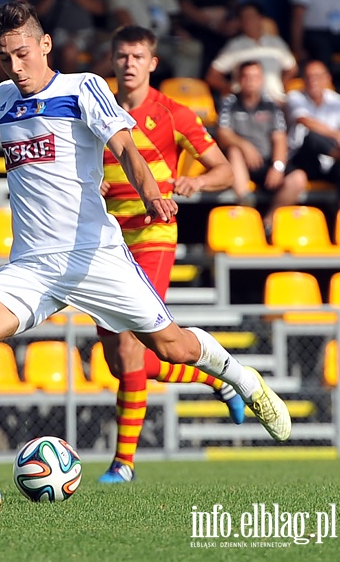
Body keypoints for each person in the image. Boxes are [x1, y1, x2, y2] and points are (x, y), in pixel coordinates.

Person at [0, 0, 291, 485]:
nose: (15, 67)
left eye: (22, 54)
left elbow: (124, 145)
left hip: (94, 257)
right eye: (4, 58)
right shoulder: (5, 96)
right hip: (33, 265)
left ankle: (243, 378)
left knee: (170, 350)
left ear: (45, 45)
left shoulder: (82, 88)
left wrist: (150, 195)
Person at [98, 25, 243, 484]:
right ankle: (216, 378)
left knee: (129, 343)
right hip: (105, 240)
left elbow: (224, 171)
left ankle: (123, 465)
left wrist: (195, 181)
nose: (129, 63)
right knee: (122, 362)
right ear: (113, 59)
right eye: (122, 55)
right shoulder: (95, 106)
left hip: (153, 236)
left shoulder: (174, 113)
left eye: (138, 56)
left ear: (153, 62)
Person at [216, 60, 292, 213]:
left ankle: (270, 221)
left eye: (255, 77)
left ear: (262, 79)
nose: (251, 81)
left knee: (298, 178)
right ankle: (246, 203)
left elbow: (280, 138)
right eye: (246, 77)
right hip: (239, 163)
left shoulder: (271, 105)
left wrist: (277, 166)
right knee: (234, 150)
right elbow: (223, 133)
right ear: (239, 80)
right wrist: (245, 146)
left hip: (266, 162)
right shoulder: (229, 102)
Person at [105, 0, 202, 80]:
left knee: (191, 48)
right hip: (134, 41)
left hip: (162, 38)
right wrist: (140, 40)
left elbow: (173, 12)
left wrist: (178, 30)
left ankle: (181, 93)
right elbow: (121, 14)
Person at [284, 60, 340, 211]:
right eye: (309, 76)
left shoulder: (337, 100)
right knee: (312, 138)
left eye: (317, 76)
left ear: (328, 79)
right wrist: (338, 137)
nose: (313, 81)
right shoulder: (295, 97)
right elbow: (305, 121)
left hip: (329, 160)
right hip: (302, 159)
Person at [206, 2, 298, 104]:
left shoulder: (276, 43)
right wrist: (232, 89)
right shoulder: (234, 46)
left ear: (261, 19)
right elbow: (212, 76)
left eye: (251, 17)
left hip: (275, 102)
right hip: (244, 105)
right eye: (244, 18)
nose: (248, 21)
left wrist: (280, 85)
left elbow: (292, 68)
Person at [32, 0, 105, 75]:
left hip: (88, 34)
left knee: (114, 51)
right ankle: (69, 89)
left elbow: (100, 9)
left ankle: (84, 84)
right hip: (58, 34)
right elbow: (36, 14)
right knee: (68, 52)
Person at [167, 0, 239, 75]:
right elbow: (184, 7)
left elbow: (231, 2)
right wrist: (212, 24)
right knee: (202, 47)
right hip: (197, 29)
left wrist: (233, 21)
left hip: (224, 26)